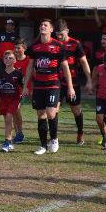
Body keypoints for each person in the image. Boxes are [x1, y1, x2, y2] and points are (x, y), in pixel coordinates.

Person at [24, 19, 75, 155]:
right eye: (41, 25)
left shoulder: (58, 46)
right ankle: (42, 146)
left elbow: (65, 67)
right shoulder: (34, 46)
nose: (42, 27)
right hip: (39, 85)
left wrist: (70, 87)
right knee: (41, 115)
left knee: (51, 113)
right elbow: (30, 67)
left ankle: (54, 139)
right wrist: (25, 86)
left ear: (51, 30)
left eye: (45, 25)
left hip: (53, 84)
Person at [55, 19, 93, 145]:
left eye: (61, 34)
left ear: (67, 31)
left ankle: (80, 132)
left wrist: (89, 80)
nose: (59, 37)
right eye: (57, 34)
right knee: (54, 109)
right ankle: (53, 137)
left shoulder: (75, 44)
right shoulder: (54, 43)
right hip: (56, 82)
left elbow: (84, 62)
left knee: (75, 109)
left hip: (73, 82)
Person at [0, 49, 25, 152]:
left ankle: (7, 142)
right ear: (3, 60)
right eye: (6, 58)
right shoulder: (0, 73)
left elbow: (22, 86)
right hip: (3, 99)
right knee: (7, 120)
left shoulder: (18, 73)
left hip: (14, 99)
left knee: (9, 117)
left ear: (15, 60)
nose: (8, 59)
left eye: (11, 58)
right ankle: (11, 140)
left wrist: (22, 96)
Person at [11, 39, 29, 143]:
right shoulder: (12, 60)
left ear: (24, 49)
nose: (16, 50)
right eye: (15, 47)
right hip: (14, 90)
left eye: (19, 48)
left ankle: (20, 133)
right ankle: (19, 134)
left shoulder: (29, 60)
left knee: (16, 109)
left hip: (25, 90)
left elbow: (34, 75)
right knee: (14, 111)